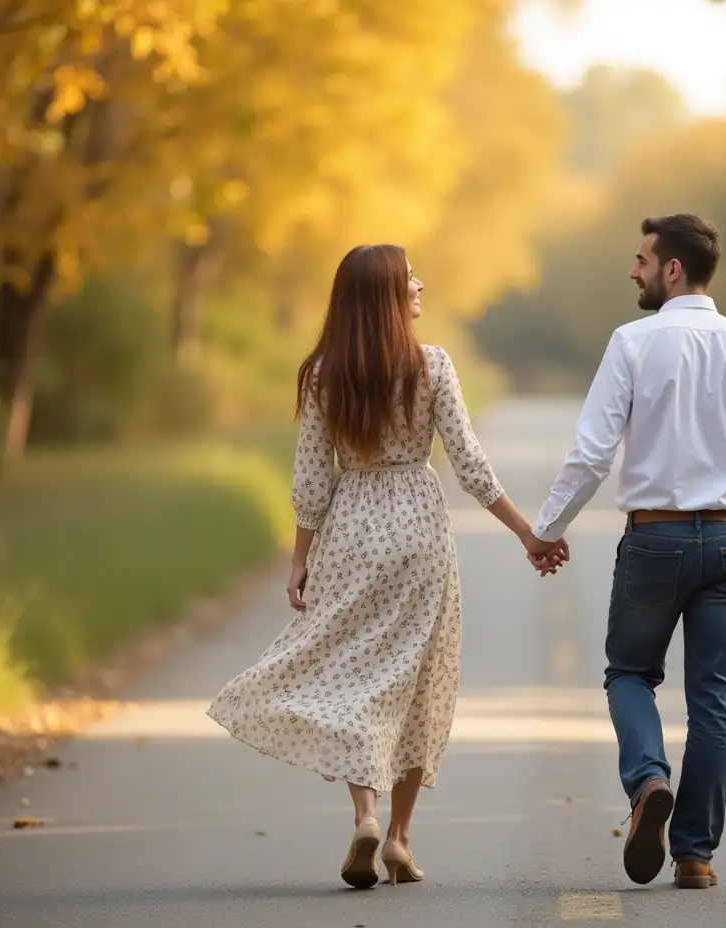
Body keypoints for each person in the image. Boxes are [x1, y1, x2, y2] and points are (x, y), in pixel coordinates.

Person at [207, 243, 568, 889]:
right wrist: (528, 535)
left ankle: (366, 816)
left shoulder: (322, 374)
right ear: (387, 296)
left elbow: (313, 477)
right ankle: (401, 838)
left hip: (351, 531)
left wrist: (300, 560)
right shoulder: (432, 366)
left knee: (355, 677)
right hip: (419, 533)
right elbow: (472, 468)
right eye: (410, 279)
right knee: (418, 683)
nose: (421, 285)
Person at [526, 214, 726, 889]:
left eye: (642, 258)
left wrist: (547, 528)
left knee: (629, 673)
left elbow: (592, 454)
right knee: (713, 699)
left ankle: (649, 779)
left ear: (672, 269)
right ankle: (695, 855)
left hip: (657, 537)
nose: (634, 269)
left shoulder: (633, 343)